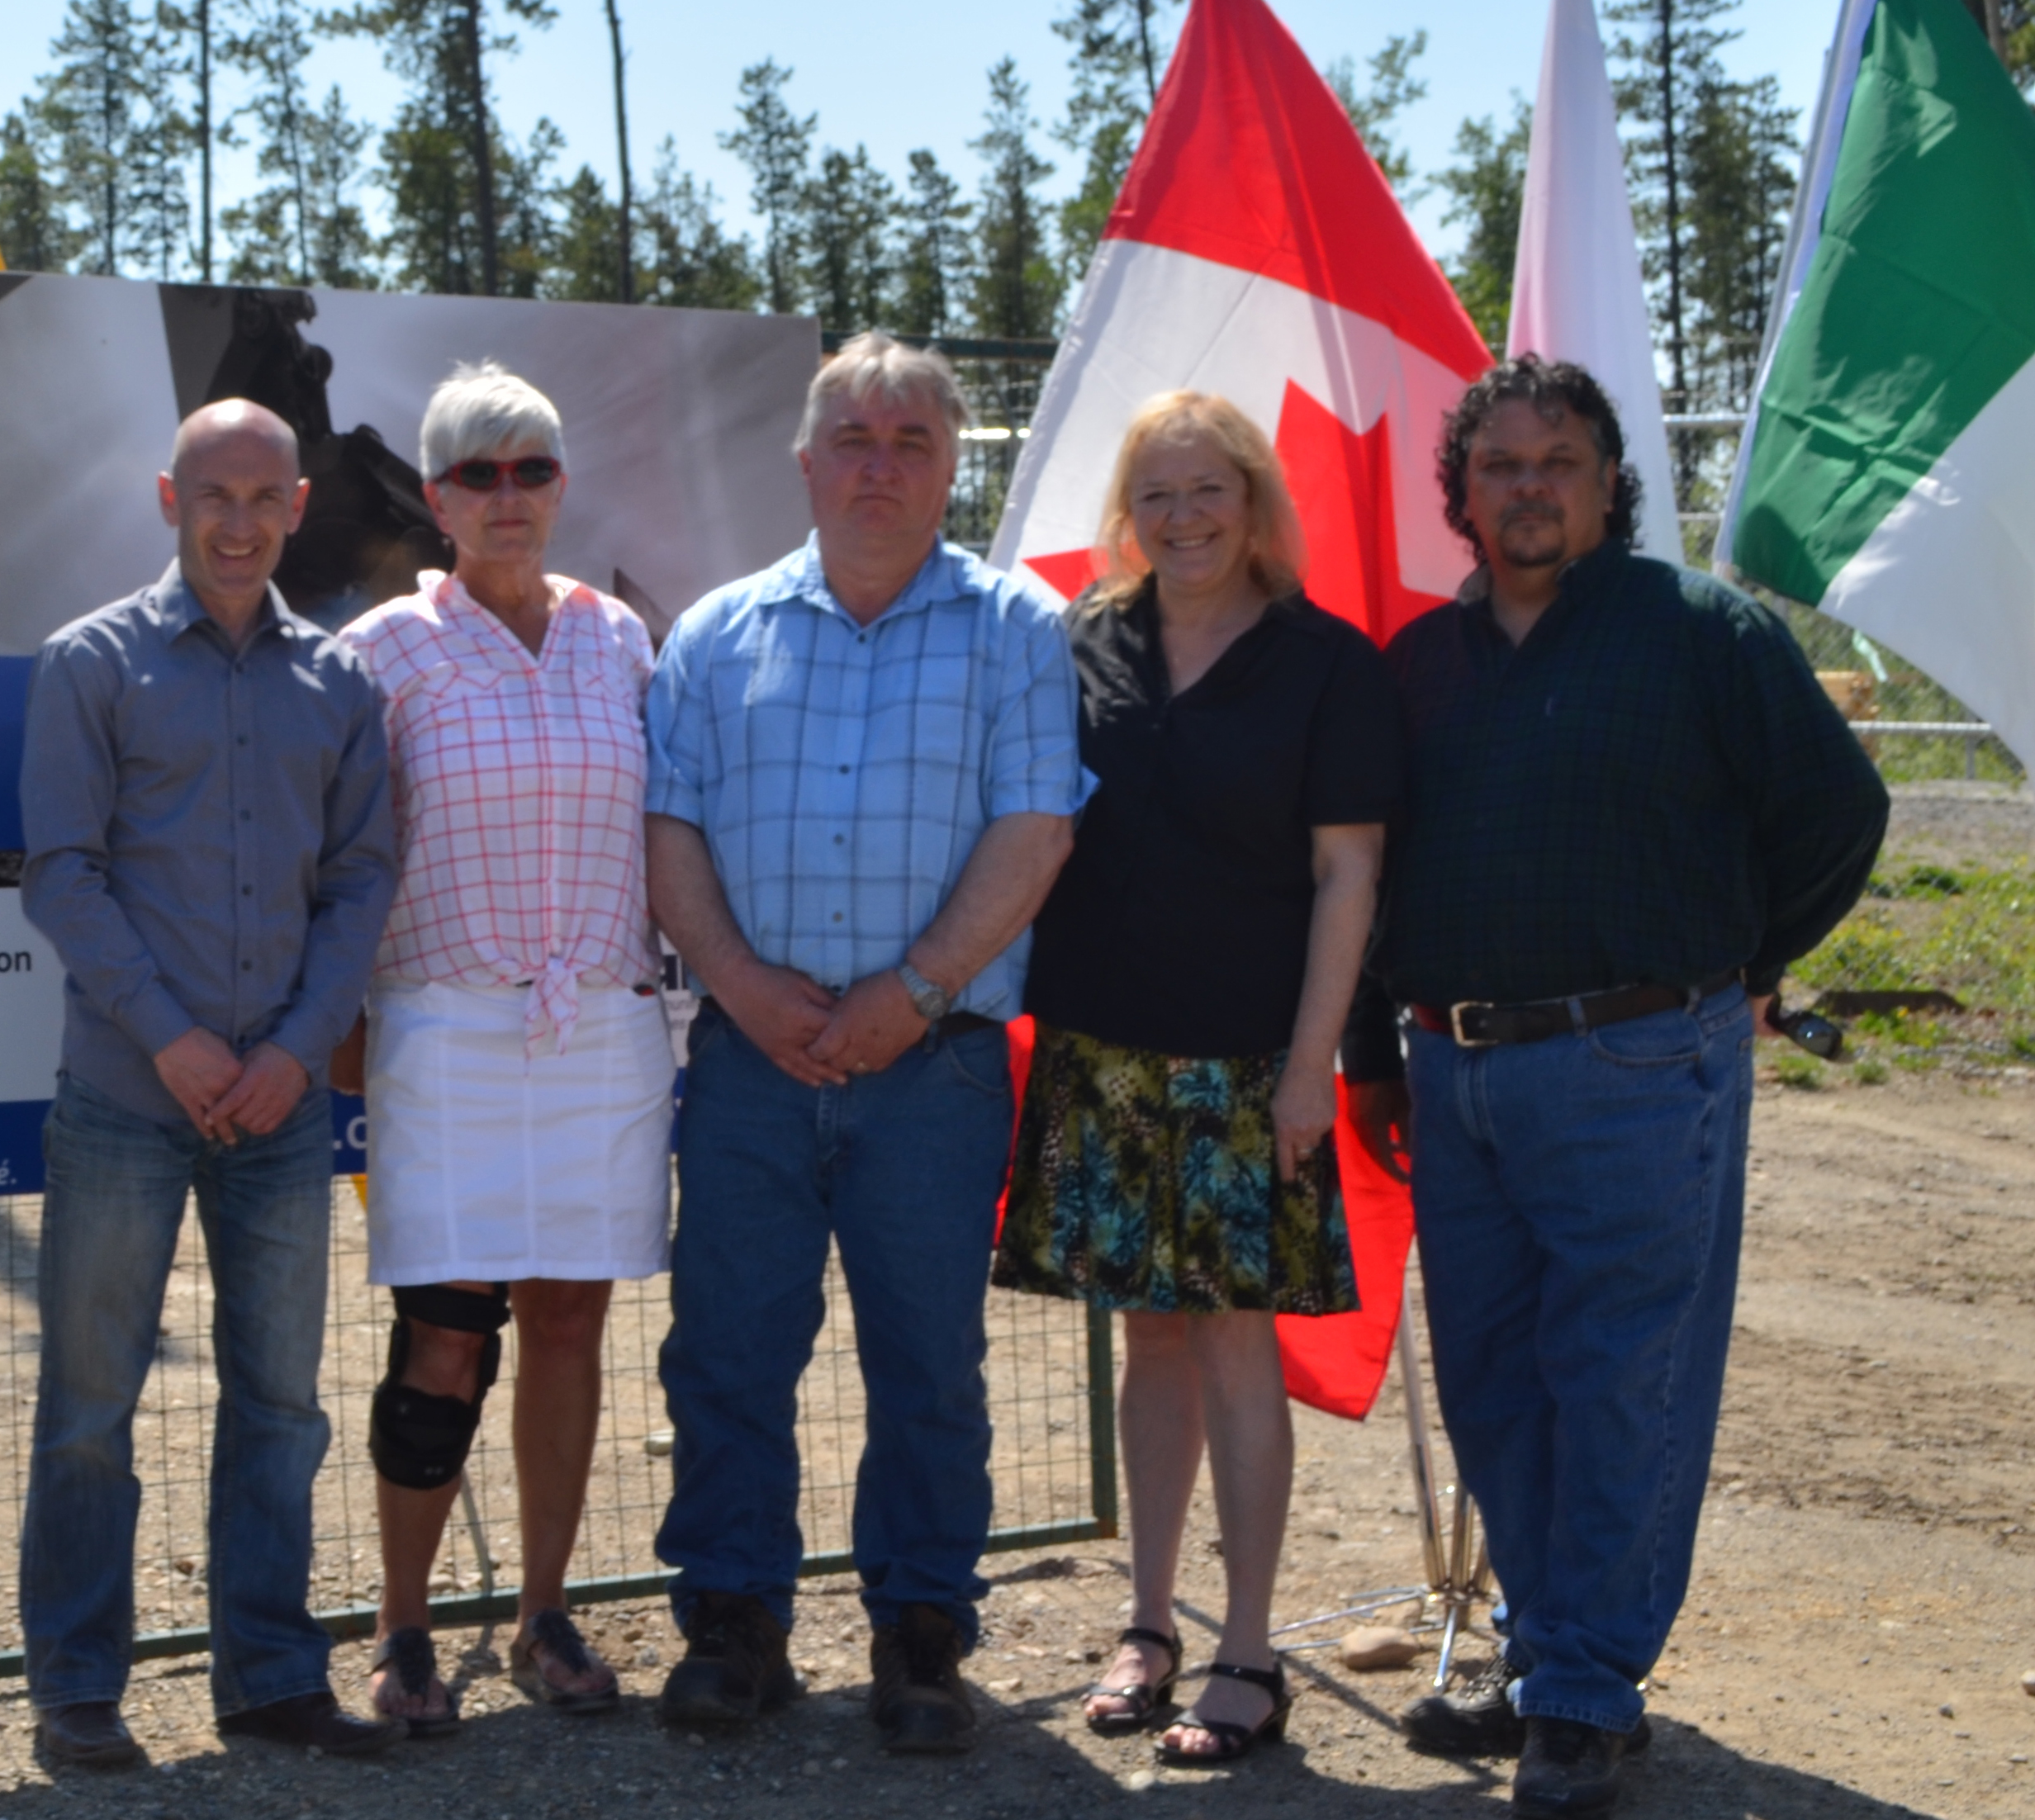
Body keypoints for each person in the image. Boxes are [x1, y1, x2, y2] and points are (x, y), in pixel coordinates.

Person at [1341, 356, 1888, 1817]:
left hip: (1645, 1061)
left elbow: (1841, 813)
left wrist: (1738, 968)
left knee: (1623, 1379)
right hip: (1453, 1071)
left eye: (1559, 460)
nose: (1530, 486)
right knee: (1497, 1383)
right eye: (1501, 464)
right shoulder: (1418, 667)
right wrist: (1370, 1056)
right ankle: (1546, 1657)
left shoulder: (1700, 631)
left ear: (1606, 480)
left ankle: (1587, 1689)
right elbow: (1373, 881)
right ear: (1461, 491)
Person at [643, 331, 1087, 1754]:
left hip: (936, 1063)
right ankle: (735, 1622)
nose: (881, 465)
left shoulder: (1017, 625)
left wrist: (918, 982)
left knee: (929, 1364)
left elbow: (1037, 828)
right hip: (750, 1065)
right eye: (855, 438)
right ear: (806, 462)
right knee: (725, 1351)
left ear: (954, 462)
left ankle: (920, 1633)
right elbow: (670, 831)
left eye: (911, 441)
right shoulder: (716, 635)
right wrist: (735, 980)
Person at [992, 391, 1399, 1765]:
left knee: (1235, 1341)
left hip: (1250, 1066)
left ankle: (1248, 1652)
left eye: (1207, 490)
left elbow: (1349, 877)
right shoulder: (1079, 645)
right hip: (1098, 1051)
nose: (1183, 518)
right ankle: (1149, 1624)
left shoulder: (1324, 666)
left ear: (1253, 498)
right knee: (1147, 1333)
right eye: (1155, 495)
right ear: (1129, 511)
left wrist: (1310, 1072)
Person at [18, 400, 399, 1765]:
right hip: (129, 1096)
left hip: (283, 1110)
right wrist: (174, 1038)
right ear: (169, 498)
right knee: (87, 1408)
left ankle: (270, 1678)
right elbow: (62, 869)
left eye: (264, 498)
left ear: (300, 507)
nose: (238, 523)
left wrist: (296, 1050)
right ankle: (75, 1687)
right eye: (213, 496)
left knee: (282, 1405)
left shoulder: (342, 686)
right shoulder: (91, 665)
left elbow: (361, 880)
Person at [332, 363, 674, 1731]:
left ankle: (543, 1610)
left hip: (600, 1021)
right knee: (446, 1333)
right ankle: (402, 1626)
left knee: (573, 1322)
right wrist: (348, 1024)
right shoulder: (380, 653)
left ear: (561, 485)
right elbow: (344, 853)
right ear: (436, 498)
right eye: (479, 472)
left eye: (532, 467)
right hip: (446, 1021)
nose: (509, 495)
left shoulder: (621, 642)